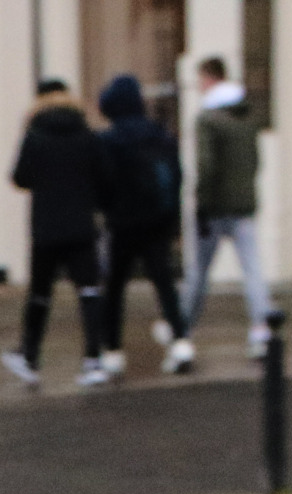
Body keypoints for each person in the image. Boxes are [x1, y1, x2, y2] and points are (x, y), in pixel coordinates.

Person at [4, 81, 112, 390]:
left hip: (46, 227)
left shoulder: (35, 136)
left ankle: (30, 356)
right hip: (81, 225)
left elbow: (19, 178)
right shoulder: (87, 136)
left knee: (40, 293)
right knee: (89, 291)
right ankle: (93, 359)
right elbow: (105, 178)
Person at [95, 73, 192, 377]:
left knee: (114, 287)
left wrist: (106, 210)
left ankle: (112, 351)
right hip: (156, 221)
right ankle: (180, 342)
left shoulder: (108, 140)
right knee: (163, 282)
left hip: (123, 223)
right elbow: (177, 176)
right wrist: (171, 217)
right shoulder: (161, 134)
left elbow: (102, 183)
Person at [184, 56, 275, 361]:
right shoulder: (246, 117)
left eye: (200, 80)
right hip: (244, 205)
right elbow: (256, 161)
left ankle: (182, 327)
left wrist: (202, 203)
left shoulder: (207, 119)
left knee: (198, 271)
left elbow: (206, 166)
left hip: (215, 208)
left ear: (209, 79)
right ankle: (261, 328)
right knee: (253, 270)